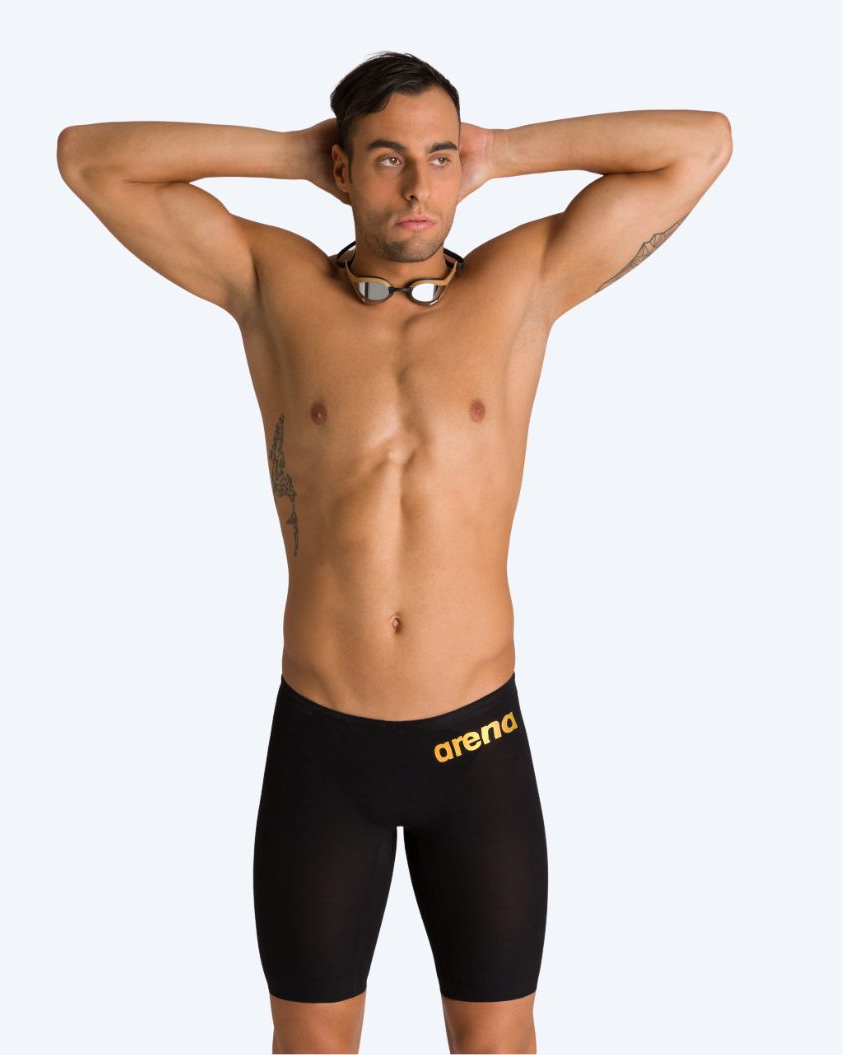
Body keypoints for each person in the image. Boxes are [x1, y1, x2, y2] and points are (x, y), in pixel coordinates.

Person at [57, 50, 732, 1055]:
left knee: (497, 1042)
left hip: (477, 740)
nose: (419, 187)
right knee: (311, 1043)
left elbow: (702, 145)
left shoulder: (520, 283)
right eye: (386, 160)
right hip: (325, 740)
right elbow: (89, 158)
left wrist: (498, 153)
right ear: (342, 167)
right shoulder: (273, 283)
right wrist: (296, 156)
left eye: (438, 158)